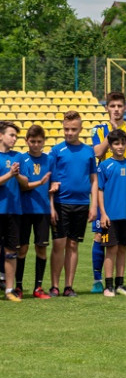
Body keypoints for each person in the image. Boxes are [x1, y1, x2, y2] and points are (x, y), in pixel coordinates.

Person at [91, 91, 126, 293]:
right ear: (107, 108)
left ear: (124, 108)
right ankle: (98, 280)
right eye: (112, 106)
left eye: (119, 106)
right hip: (107, 189)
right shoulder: (99, 129)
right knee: (100, 236)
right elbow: (97, 153)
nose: (116, 109)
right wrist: (113, 132)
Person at [49, 111, 98, 297]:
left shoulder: (88, 151)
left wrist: (93, 206)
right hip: (61, 203)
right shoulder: (56, 151)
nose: (69, 133)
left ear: (80, 129)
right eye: (66, 129)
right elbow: (50, 181)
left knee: (73, 245)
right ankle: (54, 286)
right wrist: (51, 206)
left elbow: (94, 179)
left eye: (73, 129)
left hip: (82, 204)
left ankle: (69, 286)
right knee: (58, 244)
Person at [97, 130, 126, 297]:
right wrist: (103, 214)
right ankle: (108, 286)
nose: (120, 146)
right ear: (110, 146)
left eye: (123, 143)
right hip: (111, 216)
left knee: (123, 249)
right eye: (116, 143)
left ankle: (120, 284)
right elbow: (99, 190)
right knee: (111, 249)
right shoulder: (104, 165)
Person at [16, 125, 53, 299]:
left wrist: (52, 207)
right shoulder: (21, 159)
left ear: (44, 142)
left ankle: (38, 287)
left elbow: (54, 186)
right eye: (33, 141)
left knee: (41, 248)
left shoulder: (49, 160)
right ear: (26, 141)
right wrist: (40, 182)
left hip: (43, 211)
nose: (36, 145)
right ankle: (18, 287)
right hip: (23, 211)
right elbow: (22, 186)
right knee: (22, 249)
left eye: (39, 141)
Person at [0, 121, 23, 301]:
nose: (14, 139)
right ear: (1, 136)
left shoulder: (19, 157)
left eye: (16, 136)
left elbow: (26, 181)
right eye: (11, 135)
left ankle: (9, 290)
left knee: (11, 251)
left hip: (14, 211)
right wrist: (10, 174)